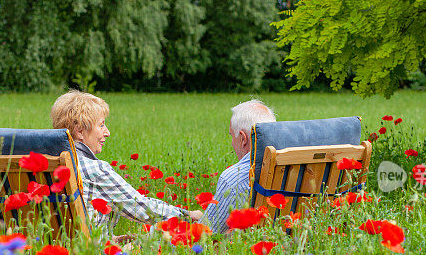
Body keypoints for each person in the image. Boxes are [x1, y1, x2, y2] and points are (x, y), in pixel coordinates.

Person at [50, 90, 203, 238]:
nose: (107, 132)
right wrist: (188, 215)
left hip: (54, 253)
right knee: (164, 236)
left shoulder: (48, 165)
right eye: (101, 125)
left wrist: (111, 239)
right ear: (80, 131)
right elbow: (141, 207)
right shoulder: (94, 170)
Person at [204, 100, 276, 233]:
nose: (232, 143)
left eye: (232, 136)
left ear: (243, 138)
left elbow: (208, 232)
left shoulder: (234, 178)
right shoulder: (294, 166)